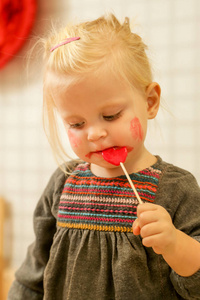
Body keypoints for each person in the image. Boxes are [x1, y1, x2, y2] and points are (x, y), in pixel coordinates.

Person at [8, 14, 200, 300]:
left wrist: (174, 244)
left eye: (110, 116)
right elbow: (33, 274)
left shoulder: (177, 189)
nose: (94, 134)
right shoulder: (63, 183)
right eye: (76, 124)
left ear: (150, 102)